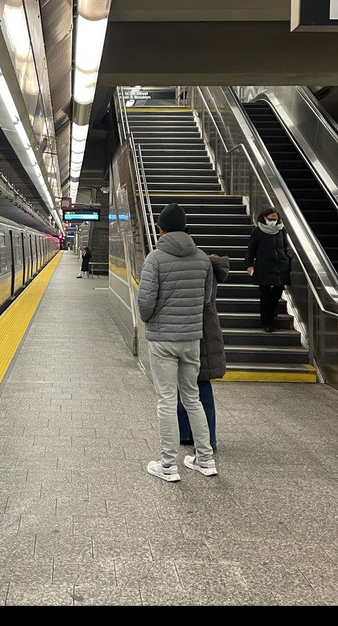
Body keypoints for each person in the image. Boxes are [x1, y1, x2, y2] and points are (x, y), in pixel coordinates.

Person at [137, 203, 218, 481]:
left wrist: (153, 319)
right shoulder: (204, 259)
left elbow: (145, 302)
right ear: (185, 227)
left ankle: (168, 465)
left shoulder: (155, 259)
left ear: (161, 229)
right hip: (191, 339)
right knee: (192, 398)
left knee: (167, 401)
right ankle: (205, 460)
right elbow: (207, 300)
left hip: (163, 340)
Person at [178, 252, 230, 450]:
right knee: (202, 385)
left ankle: (187, 434)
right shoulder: (207, 265)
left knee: (185, 384)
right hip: (207, 332)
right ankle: (206, 437)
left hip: (190, 331)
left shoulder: (192, 268)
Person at [245, 207, 292, 333]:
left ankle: (271, 311)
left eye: (275, 219)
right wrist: (249, 264)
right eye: (271, 219)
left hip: (280, 266)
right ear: (264, 218)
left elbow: (285, 246)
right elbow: (251, 249)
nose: (273, 221)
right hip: (263, 266)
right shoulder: (257, 231)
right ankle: (267, 322)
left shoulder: (281, 229)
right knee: (265, 296)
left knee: (277, 291)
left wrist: (287, 259)